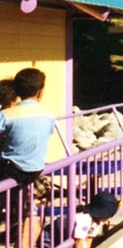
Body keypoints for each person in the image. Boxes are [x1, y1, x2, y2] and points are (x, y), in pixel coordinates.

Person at [0, 68, 56, 247]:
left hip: (11, 169)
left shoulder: (7, 115)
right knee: (28, 211)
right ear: (40, 92)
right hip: (35, 170)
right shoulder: (48, 115)